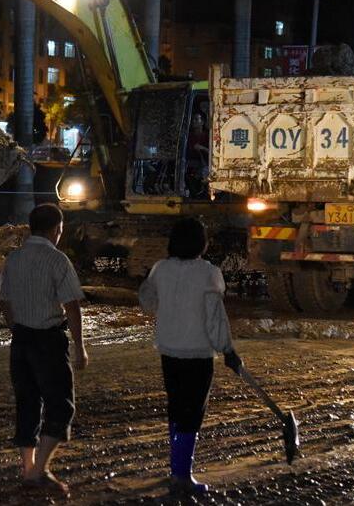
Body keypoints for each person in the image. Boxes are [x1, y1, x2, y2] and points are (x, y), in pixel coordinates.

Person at [138, 217, 242, 494]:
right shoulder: (209, 273)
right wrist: (228, 349)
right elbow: (215, 318)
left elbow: (147, 302)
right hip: (197, 354)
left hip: (169, 351)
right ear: (202, 243)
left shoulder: (160, 269)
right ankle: (181, 476)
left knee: (176, 407)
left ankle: (176, 469)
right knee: (192, 413)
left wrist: (152, 282)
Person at [0, 203, 89, 496]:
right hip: (48, 340)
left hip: (21, 339)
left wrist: (17, 329)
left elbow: (4, 300)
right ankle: (39, 471)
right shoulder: (57, 260)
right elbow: (72, 305)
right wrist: (80, 347)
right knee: (61, 406)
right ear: (56, 229)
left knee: (28, 403)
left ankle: (28, 468)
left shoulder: (14, 258)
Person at [185, 112, 209, 198]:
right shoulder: (188, 136)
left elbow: (213, 152)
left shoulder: (208, 136)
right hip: (190, 163)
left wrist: (202, 148)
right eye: (192, 120)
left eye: (196, 119)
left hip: (205, 163)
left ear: (202, 122)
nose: (193, 122)